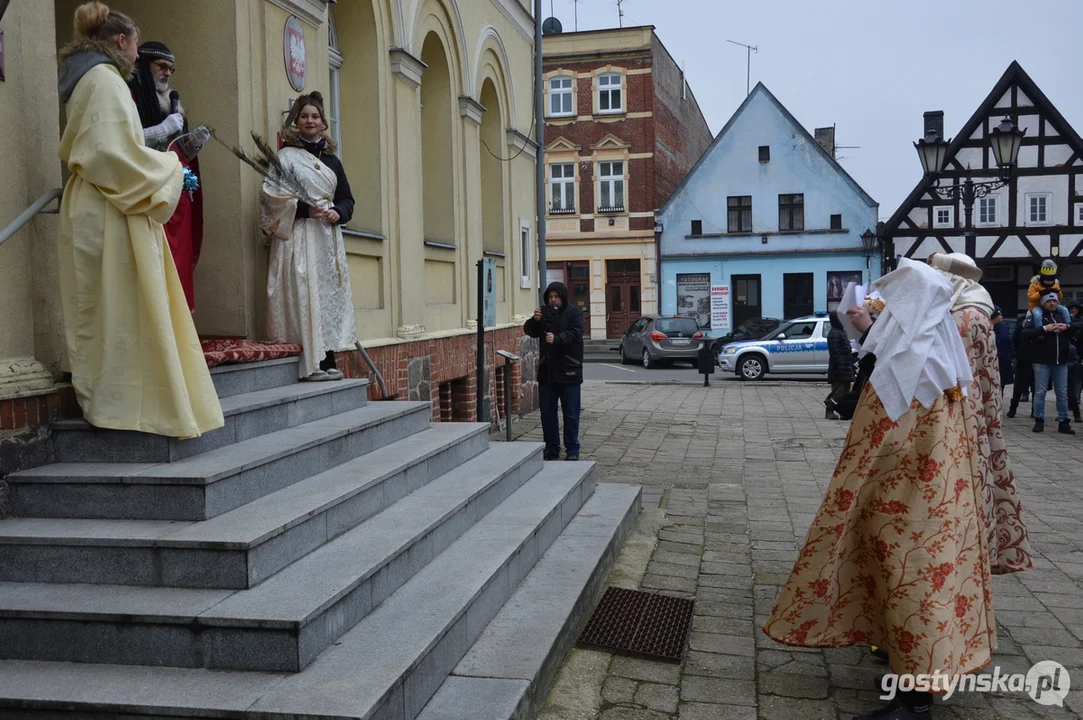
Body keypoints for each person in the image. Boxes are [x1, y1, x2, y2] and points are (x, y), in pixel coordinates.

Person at [764, 259, 993, 720]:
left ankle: (915, 702)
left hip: (909, 508)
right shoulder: (936, 357)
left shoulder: (913, 364)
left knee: (912, 585)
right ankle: (907, 677)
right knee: (902, 584)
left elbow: (882, 440)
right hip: (926, 505)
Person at [55, 2, 223, 438]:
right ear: (121, 42)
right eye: (134, 47)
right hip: (111, 207)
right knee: (122, 307)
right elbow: (112, 155)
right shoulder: (105, 82)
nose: (137, 58)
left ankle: (129, 397)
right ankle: (125, 403)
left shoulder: (95, 80)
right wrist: (170, 170)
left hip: (108, 203)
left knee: (117, 306)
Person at [927, 253, 1034, 576]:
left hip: (957, 409)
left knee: (957, 487)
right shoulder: (981, 311)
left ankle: (959, 556)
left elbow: (946, 372)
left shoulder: (963, 316)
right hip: (975, 409)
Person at [260, 92, 356, 382]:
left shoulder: (332, 162)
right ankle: (306, 362)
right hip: (299, 238)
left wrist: (338, 212)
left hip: (326, 241)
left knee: (324, 296)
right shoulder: (286, 157)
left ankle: (327, 359)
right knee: (304, 293)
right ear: (296, 122)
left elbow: (347, 199)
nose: (310, 121)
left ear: (323, 122)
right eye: (304, 116)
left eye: (315, 116)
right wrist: (304, 209)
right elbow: (270, 197)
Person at [127, 41, 208, 312]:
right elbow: (127, 142)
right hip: (149, 195)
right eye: (162, 67)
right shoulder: (131, 99)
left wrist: (193, 144)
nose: (168, 74)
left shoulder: (174, 106)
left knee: (178, 265)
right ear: (143, 65)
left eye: (171, 69)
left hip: (178, 198)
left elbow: (177, 150)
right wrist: (161, 129)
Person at [523, 282, 584, 461]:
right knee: (547, 413)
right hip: (547, 372)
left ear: (563, 297)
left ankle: (572, 449)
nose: (553, 300)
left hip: (569, 371)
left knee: (571, 413)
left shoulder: (575, 313)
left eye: (556, 296)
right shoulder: (544, 313)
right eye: (550, 297)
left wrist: (557, 338)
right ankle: (551, 448)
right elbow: (530, 331)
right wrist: (535, 321)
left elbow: (577, 333)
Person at [1023, 292, 1077, 433]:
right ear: (1042, 303)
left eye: (1054, 301)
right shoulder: (1037, 316)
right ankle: (1039, 420)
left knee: (1062, 393)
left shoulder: (1063, 315)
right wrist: (1044, 329)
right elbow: (1024, 333)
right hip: (1041, 361)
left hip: (1061, 361)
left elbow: (1077, 327)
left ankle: (1063, 421)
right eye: (1048, 301)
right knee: (1040, 392)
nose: (1052, 304)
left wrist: (1067, 328)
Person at [824, 311, 854, 420]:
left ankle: (843, 411)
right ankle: (829, 409)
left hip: (846, 367)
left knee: (846, 393)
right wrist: (841, 366)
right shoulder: (834, 334)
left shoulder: (841, 332)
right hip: (839, 369)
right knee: (838, 392)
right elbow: (835, 353)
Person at [1007, 311, 1034, 418]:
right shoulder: (1022, 321)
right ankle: (1012, 408)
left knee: (1036, 388)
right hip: (1023, 358)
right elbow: (1015, 339)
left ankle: (1035, 410)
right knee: (1018, 387)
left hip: (1037, 358)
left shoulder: (1042, 320)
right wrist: (1017, 353)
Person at [992, 307, 1014, 392]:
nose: (1001, 316)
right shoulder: (987, 326)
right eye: (999, 314)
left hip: (1003, 361)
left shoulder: (1003, 326)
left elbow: (1009, 341)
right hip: (991, 361)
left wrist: (1010, 355)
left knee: (1001, 386)